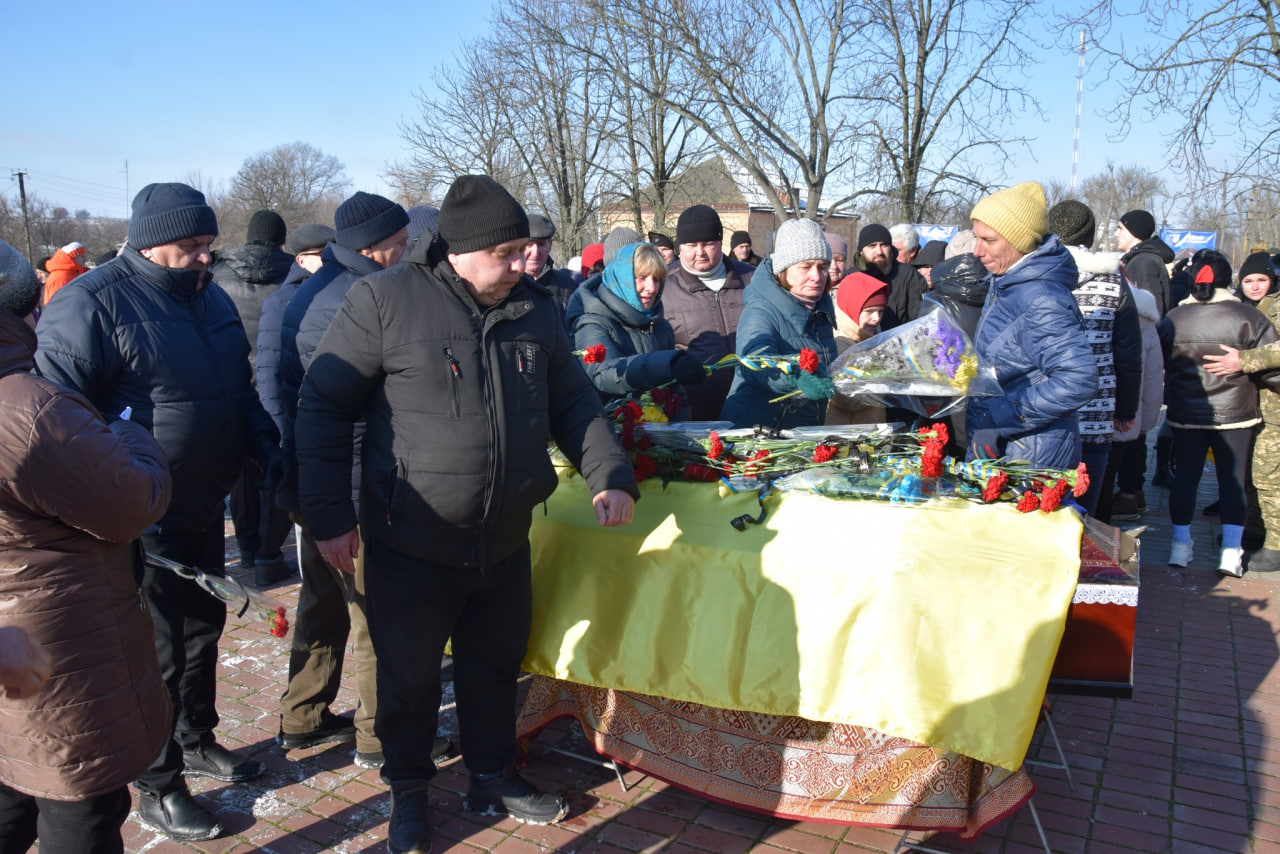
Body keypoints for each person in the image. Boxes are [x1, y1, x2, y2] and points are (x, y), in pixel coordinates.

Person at [294, 175, 639, 854]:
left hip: (504, 539)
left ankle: (492, 773)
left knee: (493, 666)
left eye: (527, 251)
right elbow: (323, 408)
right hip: (411, 540)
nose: (525, 263)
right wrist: (329, 516)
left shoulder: (534, 311)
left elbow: (572, 401)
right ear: (460, 249)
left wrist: (610, 472)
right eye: (509, 252)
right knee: (410, 679)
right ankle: (409, 796)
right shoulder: (385, 301)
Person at [34, 182, 285, 842]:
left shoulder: (212, 300)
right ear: (149, 243)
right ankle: (156, 783)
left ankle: (196, 741)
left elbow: (239, 393)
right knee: (155, 655)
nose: (205, 258)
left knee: (202, 636)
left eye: (209, 245)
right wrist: (114, 500)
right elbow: (59, 421)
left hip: (203, 504)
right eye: (190, 247)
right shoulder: (91, 303)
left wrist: (267, 449)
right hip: (135, 521)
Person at [0, 241, 171, 854]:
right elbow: (133, 504)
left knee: (10, 785)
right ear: (24, 313)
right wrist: (130, 432)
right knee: (80, 800)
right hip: (55, 645)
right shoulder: (27, 409)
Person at [277, 192, 410, 770]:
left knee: (324, 600)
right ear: (373, 247)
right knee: (374, 615)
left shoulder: (320, 284)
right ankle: (380, 735)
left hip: (315, 480)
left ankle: (302, 715)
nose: (406, 255)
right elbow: (345, 409)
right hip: (346, 481)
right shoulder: (350, 299)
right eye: (400, 245)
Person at [1160, 251, 1280, 576]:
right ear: (1231, 278)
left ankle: (1179, 548)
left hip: (1184, 414)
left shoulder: (1173, 318)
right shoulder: (1250, 317)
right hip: (1237, 415)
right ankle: (1230, 554)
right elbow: (1273, 371)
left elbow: (1161, 362)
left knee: (1185, 480)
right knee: (1233, 483)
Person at [963, 182, 1098, 469]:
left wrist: (1003, 418)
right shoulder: (1006, 283)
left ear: (1020, 241)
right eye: (977, 238)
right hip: (1003, 446)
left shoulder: (1040, 297)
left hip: (1028, 456)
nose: (977, 251)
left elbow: (1078, 379)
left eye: (988, 240)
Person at [210, 209, 295, 582]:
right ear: (280, 238)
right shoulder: (294, 274)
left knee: (242, 468)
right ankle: (268, 552)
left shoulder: (216, 274)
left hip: (234, 379)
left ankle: (246, 547)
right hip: (276, 377)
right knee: (277, 461)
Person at [1048, 200, 1142, 516]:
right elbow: (1128, 352)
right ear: (1089, 237)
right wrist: (1126, 408)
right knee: (1085, 507)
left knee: (1044, 503)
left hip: (1044, 409)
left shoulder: (1038, 277)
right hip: (1096, 408)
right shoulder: (1114, 282)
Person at [1203, 252, 1280, 572]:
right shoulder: (1241, 307)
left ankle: (1276, 544)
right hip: (1247, 404)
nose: (1255, 286)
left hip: (1274, 406)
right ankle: (1252, 530)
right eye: (1249, 280)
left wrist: (1244, 362)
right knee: (1246, 471)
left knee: (1269, 476)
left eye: (1262, 280)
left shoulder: (1276, 306)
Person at [722, 217, 837, 430]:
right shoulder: (762, 310)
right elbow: (754, 360)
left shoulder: (819, 309)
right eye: (805, 266)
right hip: (760, 432)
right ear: (783, 269)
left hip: (800, 430)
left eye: (822, 267)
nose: (816, 276)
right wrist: (794, 376)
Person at [567, 242, 705, 405]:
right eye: (641, 278)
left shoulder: (661, 326)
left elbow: (675, 393)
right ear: (622, 279)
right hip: (608, 425)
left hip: (658, 428)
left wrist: (679, 423)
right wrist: (667, 364)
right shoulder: (592, 322)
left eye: (656, 279)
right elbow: (605, 374)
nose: (651, 288)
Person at [663, 204, 755, 420]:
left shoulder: (752, 279)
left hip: (751, 405)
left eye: (708, 244)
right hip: (693, 413)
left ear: (720, 242)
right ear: (680, 247)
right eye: (691, 245)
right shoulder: (663, 287)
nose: (700, 252)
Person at [826, 271, 888, 426]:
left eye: (880, 311)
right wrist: (889, 379)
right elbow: (847, 400)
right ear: (850, 309)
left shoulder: (874, 340)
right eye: (869, 311)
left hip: (867, 431)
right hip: (844, 435)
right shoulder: (839, 344)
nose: (877, 318)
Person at [855, 223, 928, 328]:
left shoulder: (909, 276)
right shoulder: (852, 278)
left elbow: (921, 321)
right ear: (861, 251)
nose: (879, 251)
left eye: (884, 245)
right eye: (872, 246)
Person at [1115, 209, 1174, 316]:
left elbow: (1151, 310)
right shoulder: (1139, 259)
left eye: (1120, 229)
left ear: (1134, 231)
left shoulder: (1142, 262)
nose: (1116, 234)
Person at [525, 213, 577, 317]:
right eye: (528, 244)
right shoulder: (504, 287)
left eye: (541, 244)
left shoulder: (569, 287)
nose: (535, 253)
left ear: (550, 245)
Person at [40, 241, 88, 306]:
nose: (86, 260)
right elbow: (57, 306)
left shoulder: (76, 272)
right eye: (82, 257)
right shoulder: (60, 278)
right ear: (71, 257)